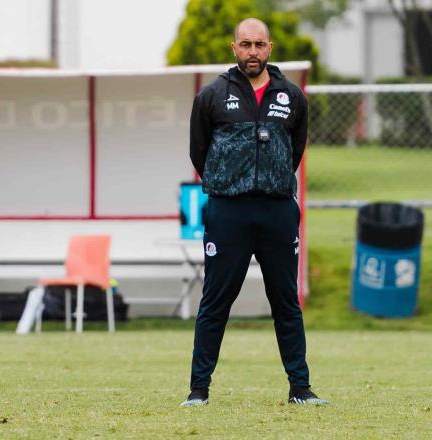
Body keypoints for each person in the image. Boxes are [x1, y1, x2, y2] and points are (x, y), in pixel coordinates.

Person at [181, 18, 328, 407]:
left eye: (259, 44)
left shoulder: (291, 97)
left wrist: (271, 180)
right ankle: (199, 391)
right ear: (234, 48)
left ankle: (301, 388)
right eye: (245, 44)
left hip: (277, 211)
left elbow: (295, 149)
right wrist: (230, 181)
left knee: (285, 301)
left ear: (270, 47)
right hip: (228, 211)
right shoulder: (212, 96)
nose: (252, 52)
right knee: (215, 301)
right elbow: (199, 151)